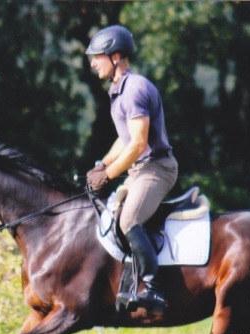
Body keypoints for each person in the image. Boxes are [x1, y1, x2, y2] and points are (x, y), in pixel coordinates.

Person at [85, 25, 178, 314]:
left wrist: (109, 175)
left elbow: (138, 144)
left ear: (115, 56)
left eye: (97, 56)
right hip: (139, 170)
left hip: (157, 168)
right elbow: (123, 138)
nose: (92, 63)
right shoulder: (118, 91)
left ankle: (153, 288)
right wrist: (102, 164)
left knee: (128, 220)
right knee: (109, 216)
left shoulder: (135, 88)